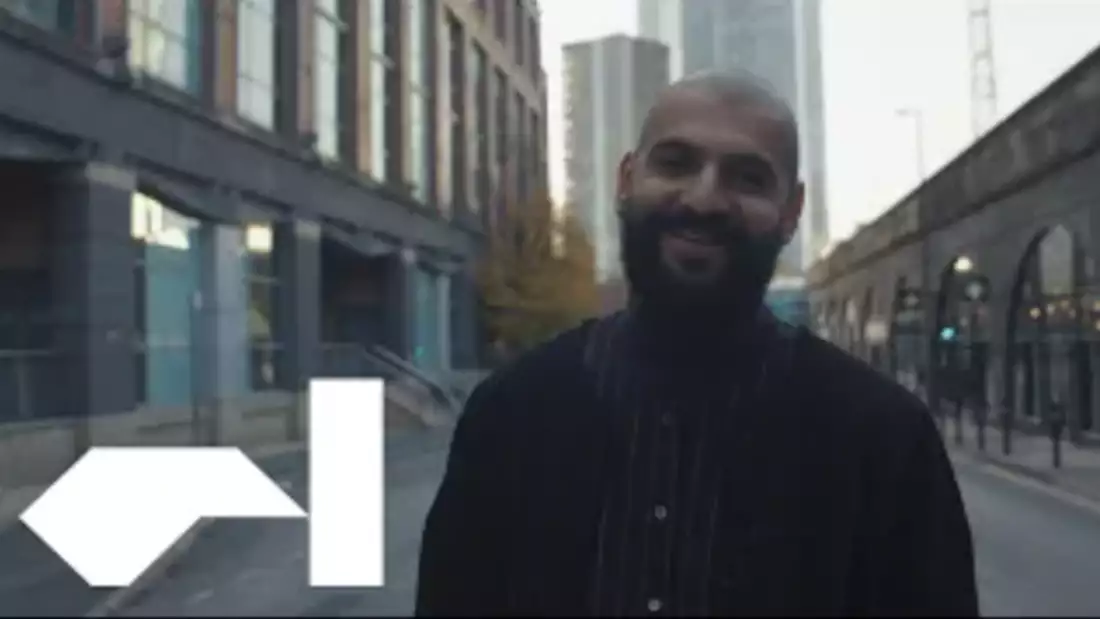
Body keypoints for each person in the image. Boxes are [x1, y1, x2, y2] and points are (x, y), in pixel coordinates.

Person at [415, 70, 978, 617]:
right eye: (676, 163)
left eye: (748, 178)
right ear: (626, 180)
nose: (704, 199)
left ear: (791, 213)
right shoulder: (510, 413)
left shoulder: (886, 440)